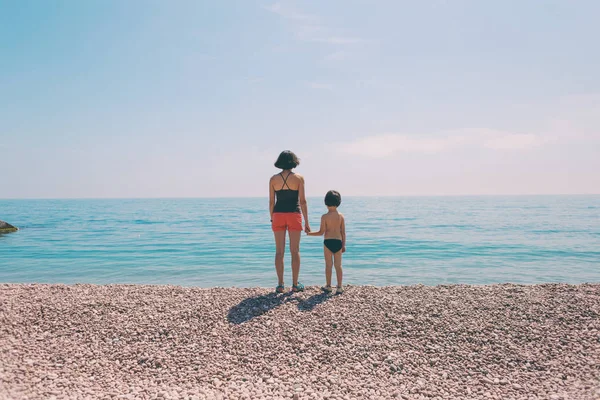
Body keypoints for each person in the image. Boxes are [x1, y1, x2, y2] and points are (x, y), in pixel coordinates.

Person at [269, 150, 311, 293]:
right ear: (293, 161)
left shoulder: (273, 179)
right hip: (294, 215)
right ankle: (294, 284)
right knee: (295, 251)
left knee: (279, 251)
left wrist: (271, 218)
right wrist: (306, 222)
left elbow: (271, 202)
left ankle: (280, 285)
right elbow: (303, 201)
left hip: (278, 215)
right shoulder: (299, 178)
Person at [307, 190, 345, 294]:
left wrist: (309, 233)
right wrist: (343, 245)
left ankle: (328, 286)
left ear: (326, 202)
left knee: (328, 265)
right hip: (338, 241)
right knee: (338, 265)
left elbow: (321, 232)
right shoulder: (341, 216)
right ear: (339, 202)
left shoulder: (324, 217)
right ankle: (339, 287)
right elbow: (343, 233)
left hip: (328, 242)